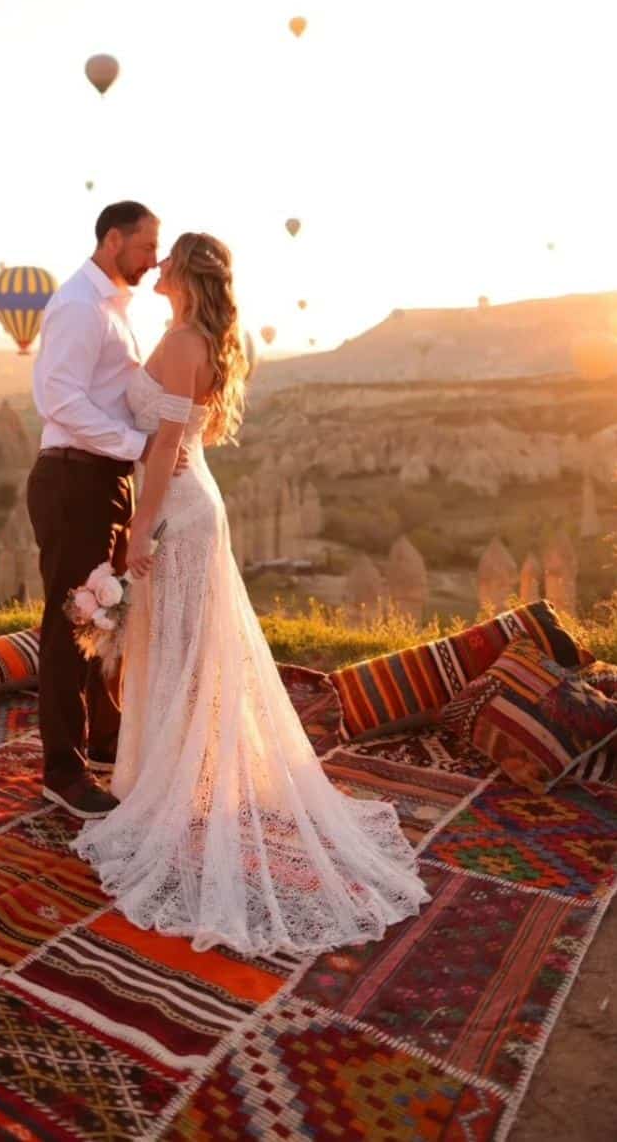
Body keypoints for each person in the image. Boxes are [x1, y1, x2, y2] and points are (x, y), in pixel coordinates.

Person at [73, 232, 431, 956]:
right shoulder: (199, 338)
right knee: (184, 646)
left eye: (168, 260)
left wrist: (139, 531)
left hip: (176, 505)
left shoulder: (180, 342)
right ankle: (175, 780)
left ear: (186, 275)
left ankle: (169, 794)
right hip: (194, 501)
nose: (159, 267)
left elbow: (166, 447)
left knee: (176, 648)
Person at [28, 200, 178, 820]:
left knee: (106, 615)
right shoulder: (77, 307)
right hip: (73, 481)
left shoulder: (117, 308)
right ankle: (61, 770)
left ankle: (104, 735)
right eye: (145, 247)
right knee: (70, 621)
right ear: (113, 239)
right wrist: (139, 446)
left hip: (106, 480)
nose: (152, 260)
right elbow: (58, 399)